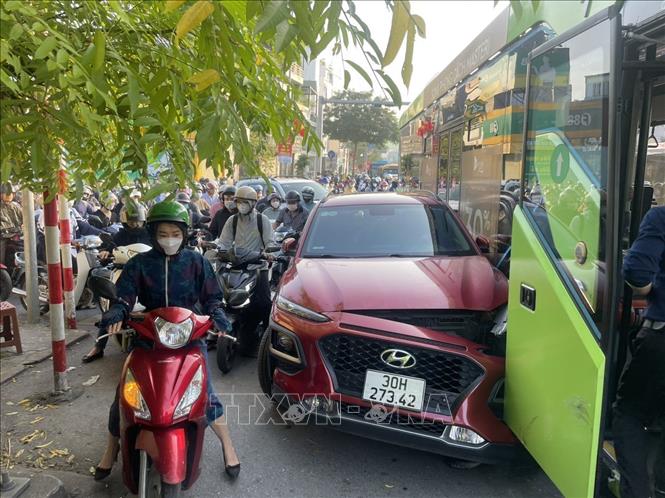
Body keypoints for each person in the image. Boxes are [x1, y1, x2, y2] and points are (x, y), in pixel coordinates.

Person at [92, 201, 240, 481]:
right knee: (125, 394)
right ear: (152, 234)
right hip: (148, 337)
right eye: (163, 233)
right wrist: (118, 309)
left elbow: (212, 298)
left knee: (204, 392)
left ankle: (228, 445)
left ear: (184, 234)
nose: (169, 239)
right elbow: (125, 295)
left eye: (174, 232)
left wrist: (218, 315)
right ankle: (112, 448)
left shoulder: (197, 262)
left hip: (189, 336)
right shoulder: (139, 264)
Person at [613, 205, 665, 498]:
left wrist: (648, 290)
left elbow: (636, 271)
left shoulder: (660, 218)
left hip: (661, 335)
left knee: (629, 413)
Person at [216, 186, 273, 349]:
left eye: (244, 202)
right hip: (236, 266)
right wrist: (219, 251)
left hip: (257, 266)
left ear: (253, 203)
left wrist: (268, 252)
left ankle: (268, 340)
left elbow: (270, 242)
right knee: (220, 296)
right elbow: (224, 242)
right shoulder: (232, 220)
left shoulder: (263, 220)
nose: (241, 205)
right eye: (238, 202)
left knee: (264, 304)